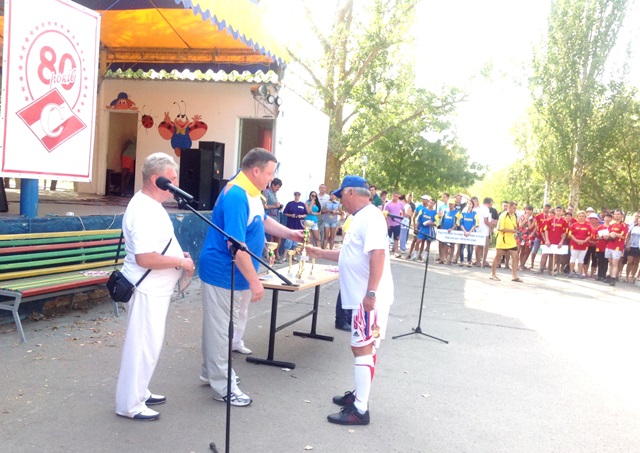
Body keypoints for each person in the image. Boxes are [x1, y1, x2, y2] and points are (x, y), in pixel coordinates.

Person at [198, 148, 303, 407]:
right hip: (224, 272)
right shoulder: (237, 194)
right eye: (269, 173)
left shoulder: (252, 191)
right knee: (222, 330)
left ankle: (211, 372)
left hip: (233, 273)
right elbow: (236, 246)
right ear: (255, 171)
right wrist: (256, 283)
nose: (271, 179)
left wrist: (289, 233)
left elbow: (262, 220)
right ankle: (223, 386)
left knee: (219, 327)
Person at [307, 175, 394, 426]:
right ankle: (359, 396)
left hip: (366, 298)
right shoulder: (361, 217)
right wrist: (320, 252)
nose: (339, 201)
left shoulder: (370, 217)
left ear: (351, 193)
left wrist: (371, 293)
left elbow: (378, 254)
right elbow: (349, 254)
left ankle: (360, 409)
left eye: (340, 195)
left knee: (362, 347)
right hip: (362, 297)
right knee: (366, 347)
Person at [115, 152, 196, 421]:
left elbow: (157, 246)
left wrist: (178, 256)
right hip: (146, 289)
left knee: (149, 346)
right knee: (141, 347)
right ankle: (130, 404)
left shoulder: (151, 205)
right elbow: (145, 257)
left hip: (155, 289)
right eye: (171, 178)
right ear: (155, 179)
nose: (176, 183)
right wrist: (180, 262)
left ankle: (140, 391)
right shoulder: (143, 210)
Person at [490, 201, 521, 282]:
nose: (515, 210)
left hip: (511, 240)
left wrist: (516, 229)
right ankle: (493, 275)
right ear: (509, 207)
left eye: (516, 208)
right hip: (503, 239)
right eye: (514, 208)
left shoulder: (513, 215)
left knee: (516, 257)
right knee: (498, 257)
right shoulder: (503, 215)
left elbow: (514, 225)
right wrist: (511, 230)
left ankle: (514, 276)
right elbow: (499, 228)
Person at [605, 209, 628, 286]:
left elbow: (623, 236)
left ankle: (613, 278)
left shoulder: (624, 225)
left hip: (617, 247)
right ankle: (610, 275)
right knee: (610, 262)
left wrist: (615, 234)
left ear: (622, 215)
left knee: (615, 263)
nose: (616, 216)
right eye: (615, 214)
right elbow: (608, 233)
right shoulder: (612, 224)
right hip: (609, 245)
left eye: (618, 214)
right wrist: (607, 236)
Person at [263, 178, 283, 262]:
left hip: (276, 217)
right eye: (277, 187)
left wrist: (279, 206)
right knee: (276, 236)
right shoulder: (266, 192)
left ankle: (274, 254)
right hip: (269, 217)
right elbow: (263, 206)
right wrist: (274, 206)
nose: (278, 189)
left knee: (275, 237)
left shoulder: (274, 193)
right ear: (273, 185)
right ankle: (274, 254)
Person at [282, 191, 307, 256]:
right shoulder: (290, 204)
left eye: (298, 195)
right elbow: (284, 213)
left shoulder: (302, 204)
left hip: (299, 224)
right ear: (294, 195)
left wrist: (301, 216)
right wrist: (291, 215)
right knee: (289, 239)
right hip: (291, 224)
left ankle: (294, 256)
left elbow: (305, 214)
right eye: (296, 195)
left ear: (300, 196)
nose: (297, 196)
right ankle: (285, 256)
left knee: (296, 241)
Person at [568, 211, 590, 278]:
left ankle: (579, 272)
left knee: (581, 259)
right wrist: (576, 240)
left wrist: (584, 241)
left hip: (584, 245)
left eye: (583, 216)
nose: (581, 217)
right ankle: (571, 272)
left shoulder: (588, 226)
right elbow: (570, 234)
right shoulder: (574, 225)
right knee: (573, 258)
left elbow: (589, 236)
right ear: (577, 217)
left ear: (585, 217)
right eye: (580, 216)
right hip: (574, 244)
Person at [457, 201, 478, 267]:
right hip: (463, 232)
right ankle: (461, 261)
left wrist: (469, 232)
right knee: (462, 247)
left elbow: (475, 224)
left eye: (470, 204)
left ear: (472, 205)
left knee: (470, 248)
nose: (469, 205)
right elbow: (461, 223)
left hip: (471, 233)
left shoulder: (475, 214)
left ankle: (469, 261)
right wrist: (465, 231)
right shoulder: (463, 213)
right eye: (468, 204)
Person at [383, 192, 404, 257]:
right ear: (392, 196)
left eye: (397, 196)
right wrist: (387, 223)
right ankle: (386, 251)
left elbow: (403, 210)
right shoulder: (388, 204)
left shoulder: (400, 203)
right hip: (390, 224)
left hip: (397, 224)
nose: (396, 198)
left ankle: (396, 252)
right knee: (388, 238)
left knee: (396, 238)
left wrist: (402, 217)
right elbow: (385, 214)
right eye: (395, 196)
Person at [624, 212, 640, 283]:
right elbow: (628, 235)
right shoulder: (633, 227)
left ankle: (632, 276)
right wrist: (627, 244)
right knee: (630, 262)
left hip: (638, 247)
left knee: (636, 263)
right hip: (631, 246)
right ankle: (626, 276)